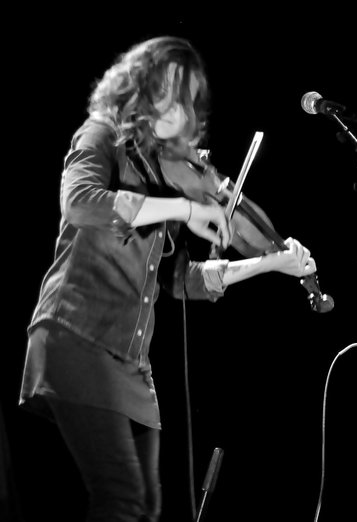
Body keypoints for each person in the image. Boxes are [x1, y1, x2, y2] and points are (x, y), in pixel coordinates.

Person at [19, 36, 316, 522]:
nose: (180, 110)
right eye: (169, 92)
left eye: (188, 100)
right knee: (120, 498)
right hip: (76, 334)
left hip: (132, 364)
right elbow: (79, 202)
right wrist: (183, 206)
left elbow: (179, 281)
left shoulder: (167, 175)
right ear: (139, 86)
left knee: (147, 507)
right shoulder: (101, 135)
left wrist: (268, 263)